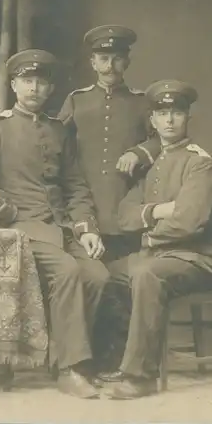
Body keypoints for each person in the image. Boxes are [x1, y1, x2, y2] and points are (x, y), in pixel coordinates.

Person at [0, 49, 110, 399]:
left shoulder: (59, 131)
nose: (34, 88)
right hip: (22, 230)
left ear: (50, 88)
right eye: (26, 81)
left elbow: (75, 186)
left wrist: (87, 228)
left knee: (99, 275)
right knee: (67, 271)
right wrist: (3, 210)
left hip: (62, 229)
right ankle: (70, 371)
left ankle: (72, 360)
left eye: (41, 82)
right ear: (14, 85)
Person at [98, 80, 212, 399]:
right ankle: (115, 359)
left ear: (187, 119)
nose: (170, 120)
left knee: (147, 275)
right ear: (153, 121)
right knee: (106, 275)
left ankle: (140, 376)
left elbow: (189, 222)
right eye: (162, 113)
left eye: (177, 113)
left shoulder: (199, 162)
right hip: (162, 256)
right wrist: (158, 210)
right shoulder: (155, 163)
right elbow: (124, 214)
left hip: (197, 260)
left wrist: (148, 239)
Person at [58, 25, 161, 262]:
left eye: (117, 59)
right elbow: (56, 143)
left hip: (124, 200)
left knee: (125, 275)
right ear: (93, 62)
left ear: (127, 63)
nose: (109, 66)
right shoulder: (76, 100)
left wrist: (139, 153)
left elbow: (161, 139)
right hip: (82, 200)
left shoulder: (142, 101)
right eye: (103, 59)